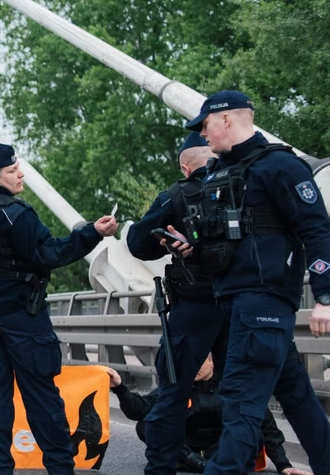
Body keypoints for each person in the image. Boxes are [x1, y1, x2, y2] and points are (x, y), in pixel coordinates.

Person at [172, 91, 330, 474]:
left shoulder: (279, 166)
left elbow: (317, 229)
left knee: (240, 402)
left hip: (263, 303)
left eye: (206, 126)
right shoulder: (220, 173)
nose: (203, 136)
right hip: (233, 302)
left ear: (226, 120)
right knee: (296, 396)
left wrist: (325, 295)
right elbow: (228, 244)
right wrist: (192, 250)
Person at [0, 142, 117, 475]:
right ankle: (60, 468)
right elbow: (49, 254)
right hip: (20, 314)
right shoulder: (15, 213)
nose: (20, 174)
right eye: (12, 171)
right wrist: (93, 233)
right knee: (40, 392)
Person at [126, 131, 232, 475]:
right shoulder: (244, 185)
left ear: (186, 168)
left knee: (173, 391)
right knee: (242, 390)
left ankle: (161, 468)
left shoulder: (178, 195)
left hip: (195, 304)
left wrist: (166, 242)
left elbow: (139, 243)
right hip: (242, 301)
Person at [106, 357, 309, 475]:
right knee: (147, 424)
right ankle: (197, 463)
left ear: (212, 361)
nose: (192, 367)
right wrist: (120, 388)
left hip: (219, 449)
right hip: (186, 449)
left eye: (199, 361)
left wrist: (283, 464)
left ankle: (206, 464)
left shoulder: (232, 386)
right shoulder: (174, 388)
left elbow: (265, 423)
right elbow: (140, 410)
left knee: (252, 430)